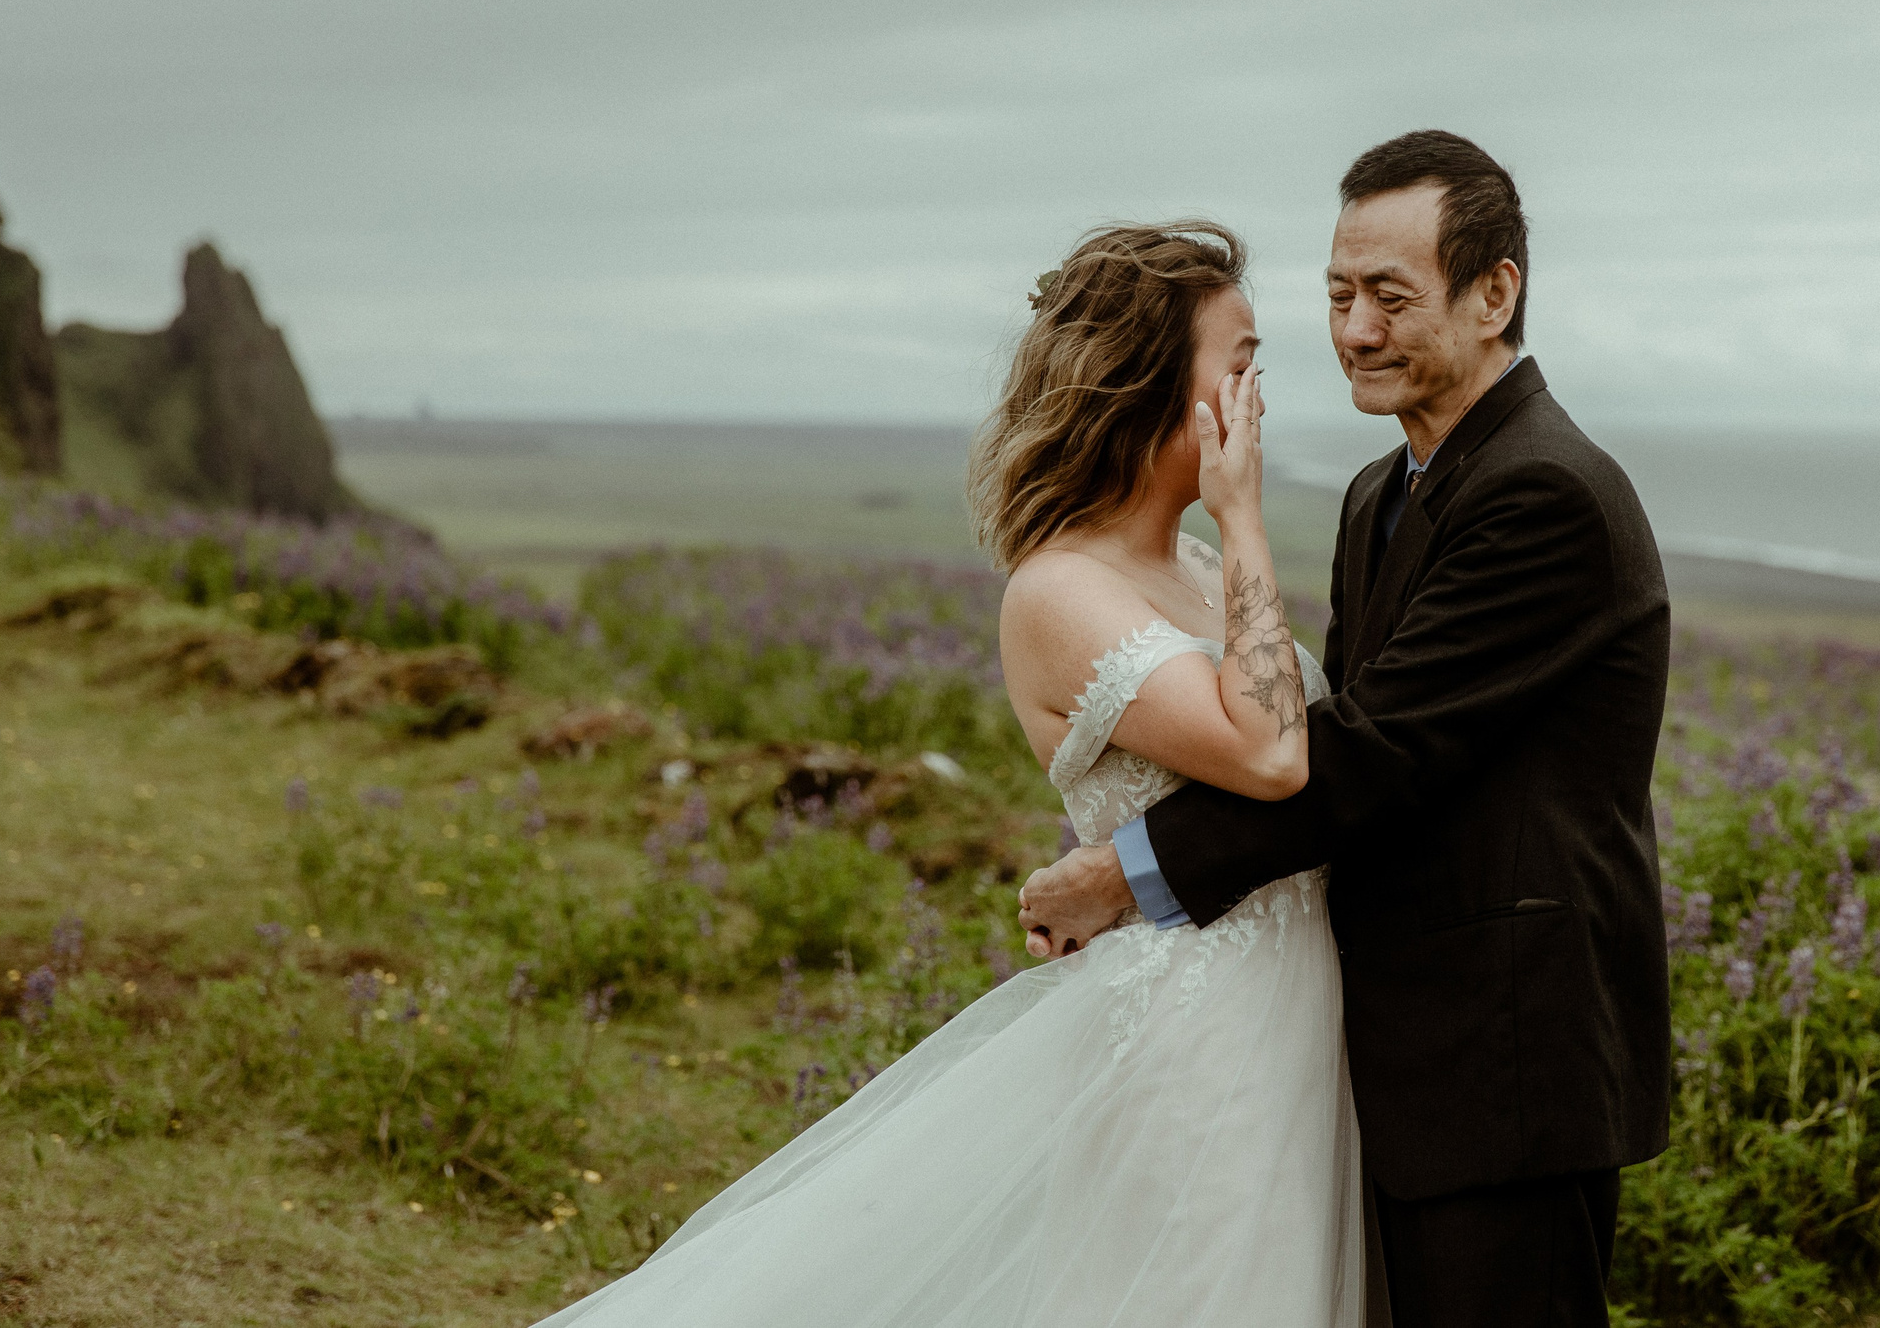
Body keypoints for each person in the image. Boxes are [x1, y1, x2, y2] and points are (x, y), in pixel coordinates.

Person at [539, 220, 1364, 1326]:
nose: (1262, 389)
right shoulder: (1061, 590)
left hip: (1300, 1024)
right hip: (1198, 1037)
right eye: (1242, 359)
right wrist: (1248, 508)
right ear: (1150, 383)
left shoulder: (1204, 568)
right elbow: (1270, 755)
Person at [1020, 131, 1675, 1328]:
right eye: (1337, 295)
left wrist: (1129, 874)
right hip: (1369, 1052)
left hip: (1504, 1062)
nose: (1356, 331)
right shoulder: (1387, 490)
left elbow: (1371, 756)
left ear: (1495, 294)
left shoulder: (1546, 492)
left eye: (1391, 296)